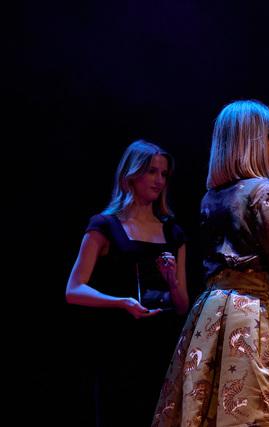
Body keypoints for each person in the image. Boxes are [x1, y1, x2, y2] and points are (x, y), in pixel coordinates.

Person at [152, 100, 269, 427]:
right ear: (257, 141)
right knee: (252, 409)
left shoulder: (211, 196)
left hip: (209, 313)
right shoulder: (265, 193)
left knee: (207, 409)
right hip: (248, 314)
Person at [65, 140, 190, 427]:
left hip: (161, 349)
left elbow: (182, 305)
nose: (159, 180)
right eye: (152, 172)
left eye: (164, 174)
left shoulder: (173, 232)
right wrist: (121, 302)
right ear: (131, 175)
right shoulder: (105, 226)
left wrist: (172, 283)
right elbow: (74, 289)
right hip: (118, 348)